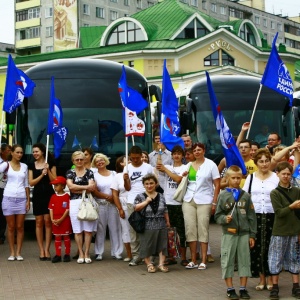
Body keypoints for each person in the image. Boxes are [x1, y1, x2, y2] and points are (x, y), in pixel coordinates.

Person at [215, 165, 257, 300]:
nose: (236, 180)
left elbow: (251, 216)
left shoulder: (246, 196)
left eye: (239, 178)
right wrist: (224, 218)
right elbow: (217, 215)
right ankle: (230, 288)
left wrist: (252, 234)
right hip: (229, 233)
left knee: (245, 261)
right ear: (227, 179)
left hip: (244, 234)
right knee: (227, 260)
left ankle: (243, 289)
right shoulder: (223, 195)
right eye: (233, 178)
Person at [243, 149, 279, 291]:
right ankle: (261, 279)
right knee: (257, 248)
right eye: (261, 161)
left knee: (271, 248)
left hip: (272, 216)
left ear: (270, 161)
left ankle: (271, 278)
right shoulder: (251, 178)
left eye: (266, 161)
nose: (264, 164)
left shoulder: (276, 177)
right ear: (256, 163)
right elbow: (245, 197)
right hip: (255, 216)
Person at [182, 143, 220, 270]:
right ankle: (193, 259)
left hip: (205, 199)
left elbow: (217, 184)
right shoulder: (189, 165)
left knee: (203, 228)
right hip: (189, 199)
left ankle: (204, 260)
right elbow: (182, 180)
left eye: (199, 150)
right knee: (190, 229)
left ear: (204, 151)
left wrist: (214, 202)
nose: (197, 152)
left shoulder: (211, 164)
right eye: (194, 150)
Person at [268, 161, 300, 300]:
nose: (286, 176)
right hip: (280, 231)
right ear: (278, 174)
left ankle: (296, 286)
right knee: (276, 259)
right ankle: (274, 287)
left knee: (294, 258)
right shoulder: (274, 193)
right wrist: (292, 206)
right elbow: (279, 212)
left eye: (288, 174)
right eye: (283, 174)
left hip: (294, 230)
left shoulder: (297, 191)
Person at [156, 145, 188, 266]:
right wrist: (160, 150)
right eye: (174, 153)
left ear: (182, 156)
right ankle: (172, 256)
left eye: (179, 153)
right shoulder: (167, 166)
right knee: (169, 231)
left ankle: (184, 257)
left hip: (180, 203)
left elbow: (179, 179)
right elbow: (159, 165)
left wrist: (166, 170)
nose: (176, 155)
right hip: (167, 202)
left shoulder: (186, 167)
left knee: (181, 231)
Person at [124, 145, 154, 266]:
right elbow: (127, 188)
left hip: (146, 201)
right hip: (132, 201)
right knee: (133, 230)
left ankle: (149, 255)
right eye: (132, 158)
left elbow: (153, 184)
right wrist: (126, 179)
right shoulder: (127, 168)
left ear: (141, 156)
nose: (135, 160)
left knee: (148, 229)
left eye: (137, 158)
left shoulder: (148, 168)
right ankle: (136, 255)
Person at [134, 174, 170, 273]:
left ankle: (161, 264)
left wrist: (167, 221)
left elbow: (165, 209)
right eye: (147, 184)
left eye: (151, 183)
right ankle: (149, 264)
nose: (149, 186)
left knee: (162, 245)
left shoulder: (161, 196)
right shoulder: (140, 196)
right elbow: (136, 208)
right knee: (146, 245)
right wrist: (146, 202)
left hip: (160, 223)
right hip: (146, 224)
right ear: (143, 185)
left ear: (155, 184)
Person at [0, 145, 30, 261]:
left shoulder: (24, 166)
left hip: (21, 199)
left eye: (21, 153)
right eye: (17, 152)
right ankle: (12, 252)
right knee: (11, 227)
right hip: (8, 197)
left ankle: (18, 252)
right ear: (11, 153)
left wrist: (28, 200)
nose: (19, 154)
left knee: (20, 227)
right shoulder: (5, 165)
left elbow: (26, 183)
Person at [66, 151, 96, 264]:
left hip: (87, 201)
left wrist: (77, 187)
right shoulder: (70, 172)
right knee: (77, 230)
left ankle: (87, 253)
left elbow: (92, 188)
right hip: (74, 203)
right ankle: (81, 253)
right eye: (77, 159)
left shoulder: (90, 172)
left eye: (81, 159)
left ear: (84, 160)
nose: (79, 161)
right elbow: (70, 186)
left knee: (88, 230)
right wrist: (86, 186)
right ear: (73, 161)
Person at [92, 153, 123, 261]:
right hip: (100, 204)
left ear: (105, 161)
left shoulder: (114, 173)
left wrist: (113, 198)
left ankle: (117, 252)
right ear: (95, 164)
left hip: (113, 204)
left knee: (115, 228)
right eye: (97, 161)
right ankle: (99, 252)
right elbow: (94, 191)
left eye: (101, 160)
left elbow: (118, 188)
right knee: (100, 229)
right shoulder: (94, 175)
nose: (100, 162)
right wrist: (107, 196)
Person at [28, 143, 57, 261]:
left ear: (42, 152)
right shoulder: (31, 165)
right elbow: (31, 182)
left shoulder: (51, 164)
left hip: (49, 195)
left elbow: (55, 180)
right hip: (38, 195)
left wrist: (48, 170)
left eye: (37, 151)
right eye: (33, 151)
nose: (35, 153)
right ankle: (41, 250)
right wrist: (41, 174)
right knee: (39, 222)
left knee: (48, 222)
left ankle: (47, 249)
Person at [111, 155, 132, 262]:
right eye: (127, 160)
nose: (129, 161)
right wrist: (120, 208)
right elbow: (115, 194)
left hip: (137, 203)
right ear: (121, 163)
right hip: (124, 203)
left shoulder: (137, 172)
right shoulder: (117, 176)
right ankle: (129, 254)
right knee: (126, 229)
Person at [48, 176, 72, 263]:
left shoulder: (67, 196)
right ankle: (58, 254)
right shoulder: (53, 196)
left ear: (63, 186)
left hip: (64, 220)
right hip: (55, 220)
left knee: (66, 236)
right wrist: (52, 219)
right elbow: (50, 208)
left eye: (57, 185)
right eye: (54, 185)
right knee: (57, 237)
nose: (55, 187)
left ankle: (67, 254)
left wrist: (61, 219)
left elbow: (67, 209)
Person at [0, 143, 11, 244]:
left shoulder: (10, 162)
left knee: (2, 212)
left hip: (5, 189)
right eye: (8, 150)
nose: (9, 152)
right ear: (2, 151)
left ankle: (1, 235)